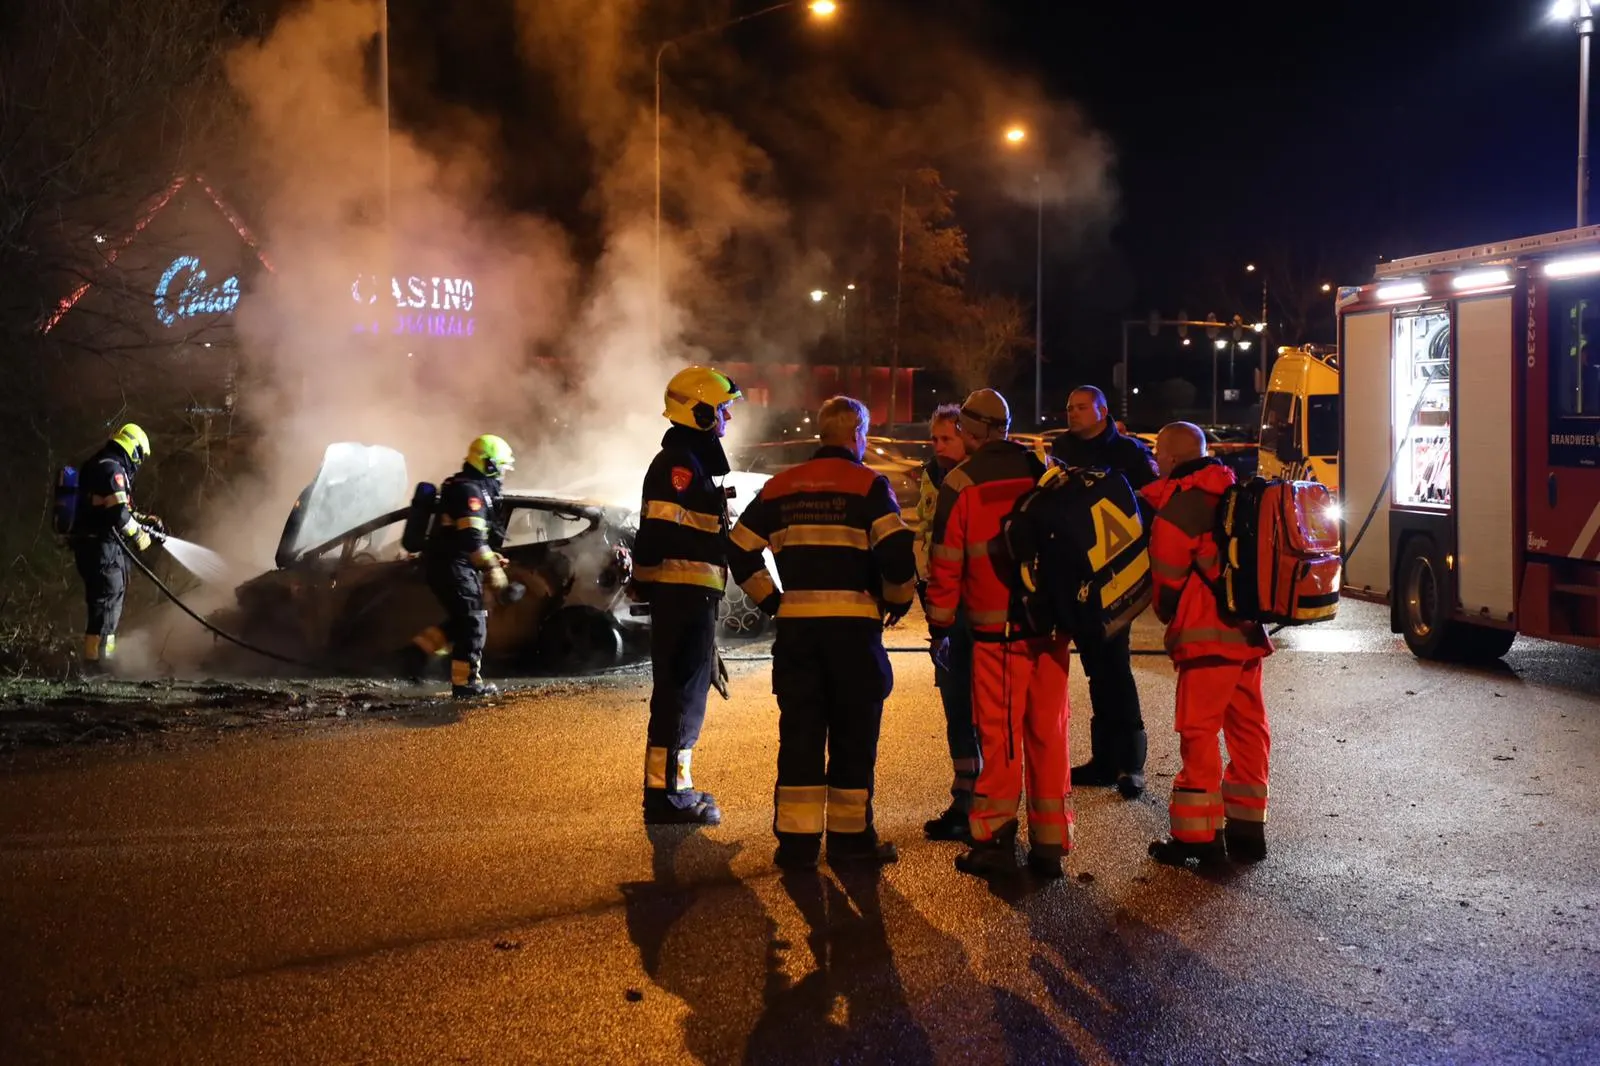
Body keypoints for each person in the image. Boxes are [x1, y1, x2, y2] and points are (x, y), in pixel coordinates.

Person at [728, 395, 917, 869]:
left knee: (800, 735)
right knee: (854, 736)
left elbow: (740, 549)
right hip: (853, 635)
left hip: (798, 636)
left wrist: (772, 600)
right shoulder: (868, 485)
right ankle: (851, 843)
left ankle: (796, 844)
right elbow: (896, 554)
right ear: (857, 435)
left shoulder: (780, 486)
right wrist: (897, 600)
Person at [926, 389, 1074, 879]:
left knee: (1002, 738)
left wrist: (940, 623)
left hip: (998, 632)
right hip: (1049, 631)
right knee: (1048, 735)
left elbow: (946, 562)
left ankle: (992, 841)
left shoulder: (962, 482)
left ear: (974, 431)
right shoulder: (1042, 469)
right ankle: (1050, 843)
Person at [1143, 422, 1273, 867]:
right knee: (1248, 731)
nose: (1156, 459)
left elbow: (1166, 583)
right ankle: (1248, 831)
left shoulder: (1179, 508)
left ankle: (1198, 839)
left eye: (1159, 452)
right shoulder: (1236, 493)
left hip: (1205, 641)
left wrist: (1171, 617)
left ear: (1174, 457)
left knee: (1199, 734)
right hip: (1248, 636)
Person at [634, 365, 743, 826]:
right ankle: (668, 797)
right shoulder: (680, 466)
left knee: (685, 693)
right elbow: (657, 533)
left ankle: (672, 788)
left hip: (689, 596)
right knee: (681, 695)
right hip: (684, 596)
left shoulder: (691, 463)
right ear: (698, 412)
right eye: (721, 410)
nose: (727, 419)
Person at [1052, 384, 1160, 799]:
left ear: (1102, 411)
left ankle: (1130, 763)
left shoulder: (1129, 454)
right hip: (1076, 575)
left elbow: (1148, 506)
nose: (1073, 413)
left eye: (1081, 407)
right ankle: (1103, 761)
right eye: (1069, 407)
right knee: (1096, 667)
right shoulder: (1060, 450)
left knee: (1115, 665)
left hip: (1116, 574)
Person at [910, 404, 978, 840]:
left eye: (946, 439)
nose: (937, 447)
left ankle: (984, 800)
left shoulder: (977, 479)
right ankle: (964, 796)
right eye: (934, 439)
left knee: (978, 709)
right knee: (955, 709)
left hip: (973, 610)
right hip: (942, 608)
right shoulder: (932, 476)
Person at [406, 435, 517, 699]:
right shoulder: (470, 492)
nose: (503, 474)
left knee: (462, 620)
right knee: (473, 622)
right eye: (501, 467)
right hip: (452, 567)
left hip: (451, 565)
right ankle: (466, 684)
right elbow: (471, 538)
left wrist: (491, 557)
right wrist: (492, 568)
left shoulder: (469, 486)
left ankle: (414, 655)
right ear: (488, 465)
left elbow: (465, 538)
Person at [72, 423, 162, 675]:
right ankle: (99, 663)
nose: (139, 463)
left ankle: (95, 660)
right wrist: (140, 537)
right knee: (107, 600)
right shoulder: (112, 469)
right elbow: (119, 514)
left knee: (104, 601)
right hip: (100, 547)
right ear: (133, 450)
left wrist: (145, 522)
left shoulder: (102, 464)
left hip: (95, 545)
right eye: (140, 457)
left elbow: (118, 507)